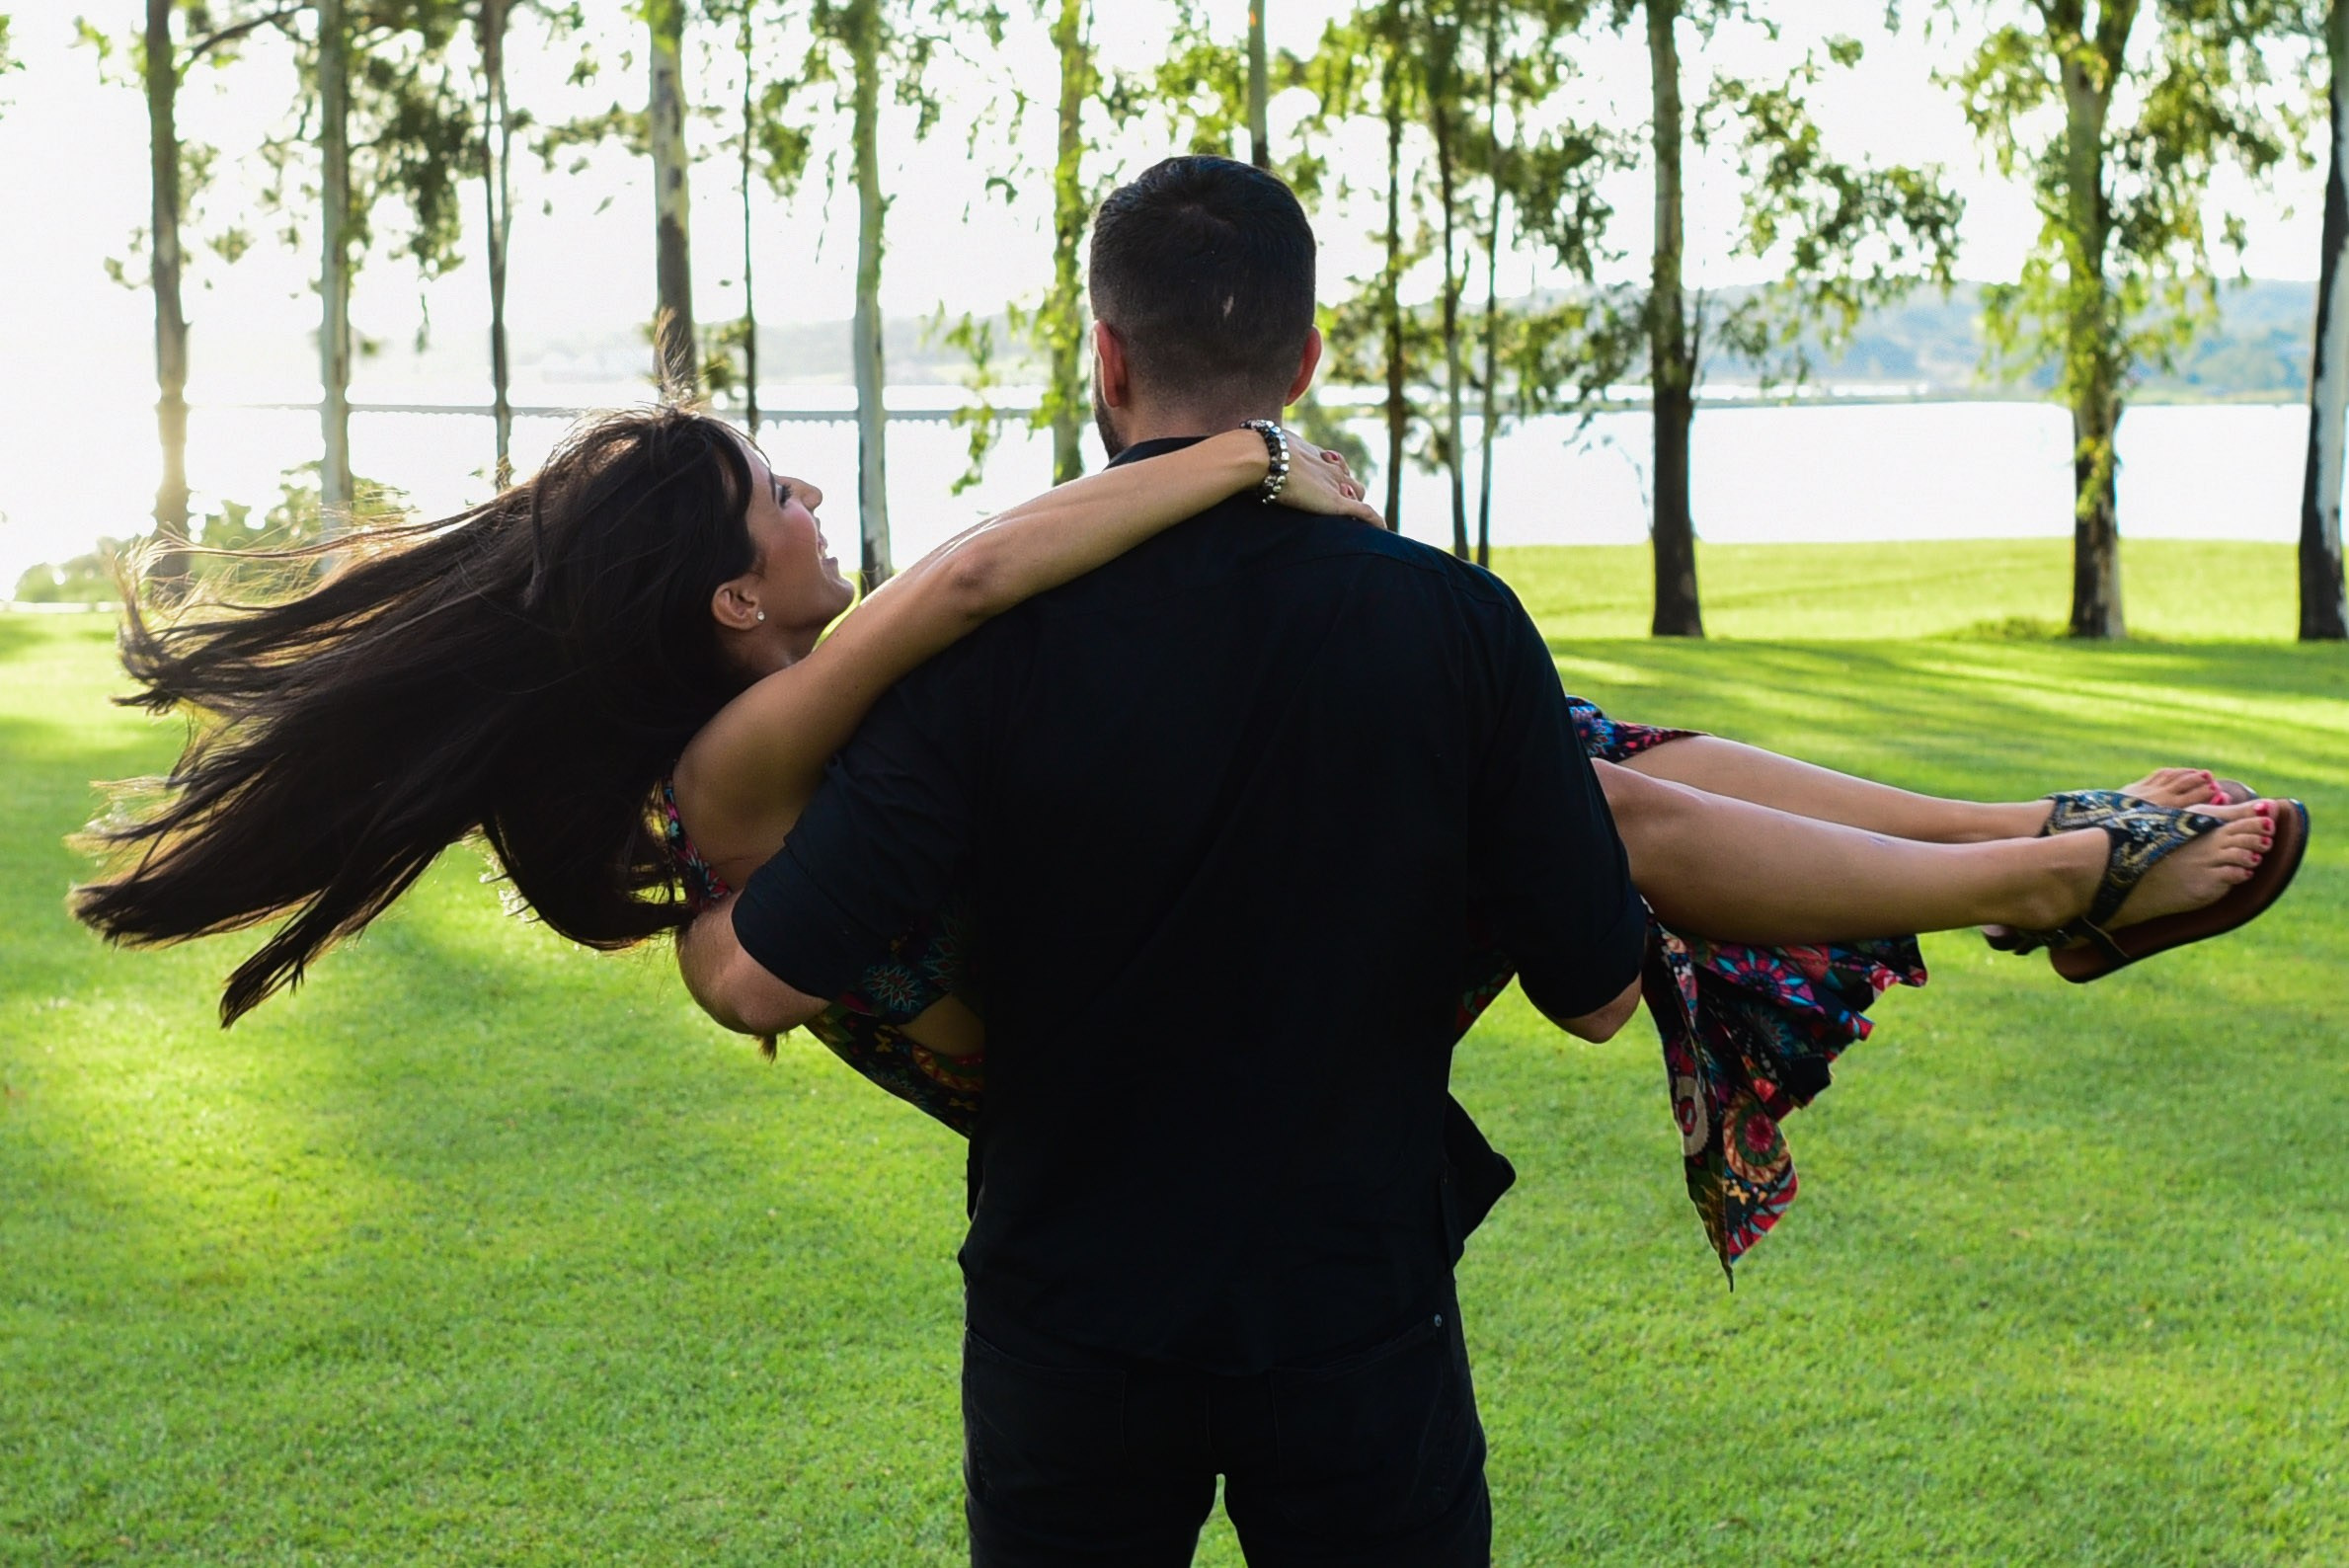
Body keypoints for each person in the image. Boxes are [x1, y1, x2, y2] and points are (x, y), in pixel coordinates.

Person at [669, 156, 2301, 1565]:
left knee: (1617, 775)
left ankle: (2044, 851)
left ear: (1105, 359)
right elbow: (1596, 993)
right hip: (1349, 1308)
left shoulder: (949, 681)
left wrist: (715, 941)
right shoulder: (1446, 619)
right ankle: (2048, 868)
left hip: (1072, 1316)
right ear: (1305, 358)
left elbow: (780, 944)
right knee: (1603, 791)